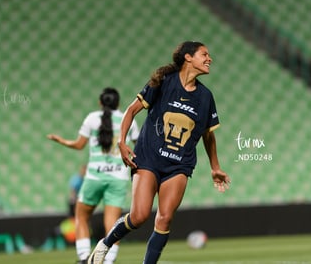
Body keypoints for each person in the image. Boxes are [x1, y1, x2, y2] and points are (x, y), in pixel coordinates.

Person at [88, 41, 231, 264]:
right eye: (204, 54)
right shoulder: (164, 82)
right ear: (188, 58)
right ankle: (105, 244)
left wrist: (215, 167)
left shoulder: (206, 97)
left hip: (179, 165)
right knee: (139, 216)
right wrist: (122, 143)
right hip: (148, 159)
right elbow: (131, 110)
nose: (209, 59)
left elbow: (208, 135)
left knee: (164, 218)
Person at [47, 88, 139, 264]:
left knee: (81, 217)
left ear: (100, 103)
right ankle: (108, 261)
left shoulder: (92, 118)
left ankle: (84, 259)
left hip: (95, 177)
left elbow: (79, 145)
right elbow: (139, 147)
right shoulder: (128, 120)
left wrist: (62, 141)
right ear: (118, 103)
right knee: (113, 225)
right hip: (118, 178)